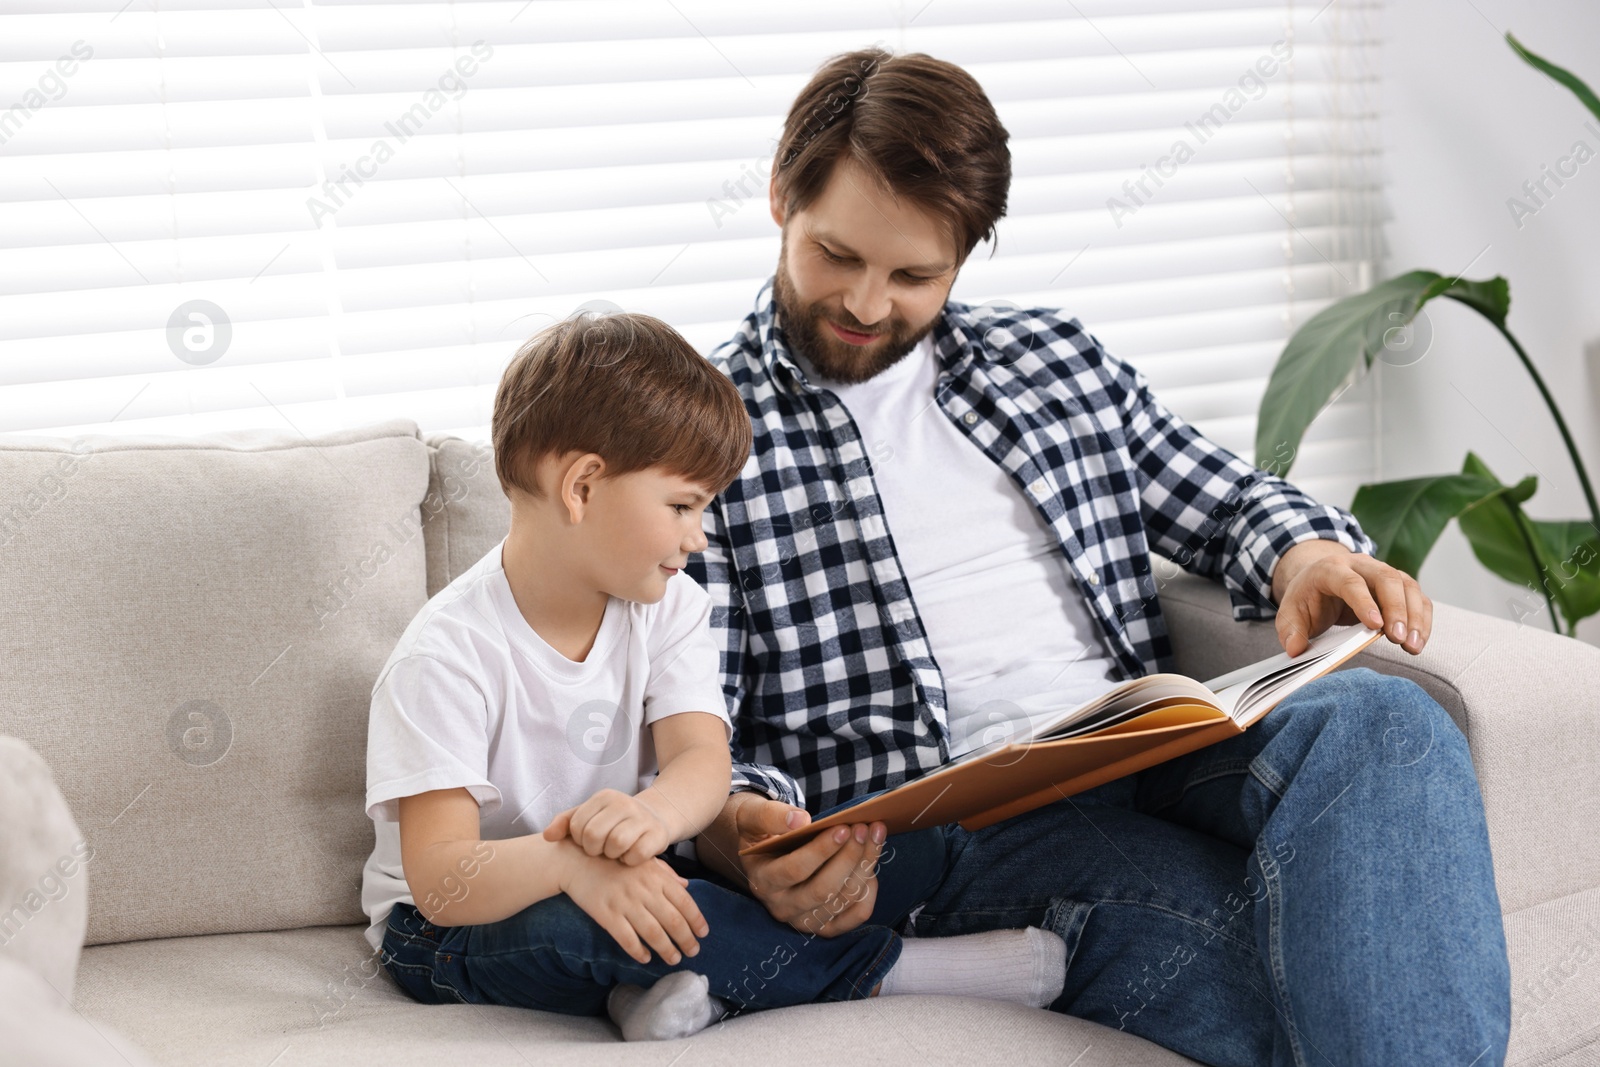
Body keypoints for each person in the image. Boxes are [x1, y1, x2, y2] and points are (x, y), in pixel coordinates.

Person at [679, 48, 1513, 1066]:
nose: (864, 302)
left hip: (1146, 749)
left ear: (966, 255)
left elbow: (1226, 499)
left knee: (1389, 719)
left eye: (913, 275)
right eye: (834, 255)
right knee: (1323, 974)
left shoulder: (1053, 360)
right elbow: (693, 728)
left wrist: (1300, 555)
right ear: (778, 195)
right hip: (956, 833)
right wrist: (748, 831)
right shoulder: (696, 440)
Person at [359, 310, 1070, 1042]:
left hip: (630, 869)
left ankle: (657, 992)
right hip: (456, 925)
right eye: (681, 505)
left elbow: (701, 760)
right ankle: (891, 972)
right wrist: (570, 864)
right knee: (587, 923)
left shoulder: (667, 608)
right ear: (581, 487)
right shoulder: (445, 657)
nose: (698, 537)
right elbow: (443, 882)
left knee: (780, 863)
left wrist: (655, 818)